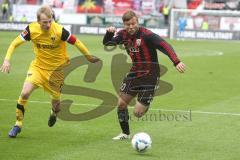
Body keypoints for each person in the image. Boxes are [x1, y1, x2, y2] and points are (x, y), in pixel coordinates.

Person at [0, 5, 100, 138]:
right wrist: (7, 60)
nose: (48, 24)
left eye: (50, 21)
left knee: (57, 106)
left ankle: (53, 112)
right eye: (44, 22)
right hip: (38, 68)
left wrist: (88, 57)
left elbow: (77, 42)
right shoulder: (31, 29)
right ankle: (18, 124)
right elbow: (14, 44)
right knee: (24, 93)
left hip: (56, 72)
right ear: (38, 21)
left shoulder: (59, 31)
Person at [102, 10, 185, 140]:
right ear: (124, 24)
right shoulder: (122, 35)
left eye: (133, 23)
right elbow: (108, 43)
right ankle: (125, 133)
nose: (130, 27)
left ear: (137, 21)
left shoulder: (147, 35)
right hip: (135, 72)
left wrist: (176, 61)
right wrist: (108, 34)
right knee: (121, 104)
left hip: (150, 74)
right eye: (127, 24)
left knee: (138, 113)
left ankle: (146, 100)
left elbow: (165, 45)